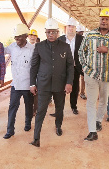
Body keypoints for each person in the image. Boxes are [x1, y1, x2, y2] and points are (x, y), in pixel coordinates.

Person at [29, 18, 74, 147]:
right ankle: (36, 138)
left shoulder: (65, 46)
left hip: (60, 84)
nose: (51, 35)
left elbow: (70, 65)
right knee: (41, 110)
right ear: (45, 32)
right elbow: (34, 66)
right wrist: (32, 83)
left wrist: (69, 82)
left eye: (53, 32)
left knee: (59, 108)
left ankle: (58, 126)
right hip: (43, 84)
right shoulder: (39, 46)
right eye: (48, 32)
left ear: (58, 32)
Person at [78, 8, 109, 141]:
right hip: (91, 75)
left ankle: (98, 121)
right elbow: (81, 52)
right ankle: (92, 131)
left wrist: (108, 50)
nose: (104, 21)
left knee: (103, 100)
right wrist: (86, 68)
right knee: (91, 103)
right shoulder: (90, 35)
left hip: (107, 76)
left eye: (107, 19)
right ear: (99, 20)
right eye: (102, 18)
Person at [3, 24, 35, 139]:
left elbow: (35, 68)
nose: (16, 39)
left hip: (28, 85)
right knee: (12, 107)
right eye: (15, 37)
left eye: (19, 37)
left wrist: (34, 84)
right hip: (15, 85)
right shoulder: (12, 47)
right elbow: (1, 50)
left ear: (26, 36)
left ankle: (27, 123)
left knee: (29, 107)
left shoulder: (32, 49)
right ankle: (10, 130)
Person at [58, 17, 83, 114]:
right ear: (66, 27)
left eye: (73, 26)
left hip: (75, 68)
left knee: (75, 87)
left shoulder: (81, 39)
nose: (71, 28)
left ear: (75, 28)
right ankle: (59, 109)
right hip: (62, 68)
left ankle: (74, 106)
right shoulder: (60, 39)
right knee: (60, 88)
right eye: (69, 26)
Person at [28, 29, 40, 116]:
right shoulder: (25, 46)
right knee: (28, 92)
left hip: (36, 72)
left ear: (36, 37)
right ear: (28, 36)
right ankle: (29, 109)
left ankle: (35, 110)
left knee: (36, 91)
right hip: (27, 72)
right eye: (31, 35)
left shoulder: (39, 47)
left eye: (34, 35)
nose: (32, 37)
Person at [76, 25, 87, 100]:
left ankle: (82, 93)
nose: (81, 34)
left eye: (82, 32)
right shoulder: (73, 39)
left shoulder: (84, 39)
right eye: (80, 32)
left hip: (82, 61)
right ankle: (76, 91)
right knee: (76, 78)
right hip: (75, 62)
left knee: (83, 78)